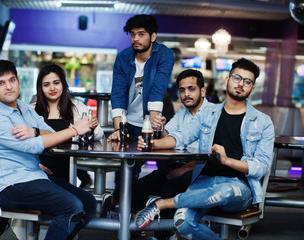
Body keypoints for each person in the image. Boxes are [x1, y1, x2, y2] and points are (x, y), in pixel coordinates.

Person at [135, 58, 275, 240]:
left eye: (247, 81)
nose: (241, 84)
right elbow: (181, 137)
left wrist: (228, 161)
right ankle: (168, 204)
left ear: (252, 89)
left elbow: (262, 166)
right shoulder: (208, 114)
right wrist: (153, 144)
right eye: (237, 78)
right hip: (204, 182)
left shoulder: (263, 122)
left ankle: (163, 203)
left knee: (225, 191)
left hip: (238, 188)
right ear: (227, 80)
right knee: (182, 222)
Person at [0, 60, 96, 240]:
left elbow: (50, 134)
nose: (8, 87)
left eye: (11, 80)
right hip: (9, 187)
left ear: (18, 81)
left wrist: (34, 131)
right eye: (1, 83)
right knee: (71, 207)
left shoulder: (24, 108)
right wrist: (74, 130)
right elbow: (33, 145)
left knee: (88, 203)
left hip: (34, 176)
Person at [103, 14, 175, 216]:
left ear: (153, 36)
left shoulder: (164, 55)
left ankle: (128, 207)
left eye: (141, 34)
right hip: (129, 123)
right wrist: (118, 129)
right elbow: (117, 93)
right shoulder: (123, 57)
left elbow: (158, 89)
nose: (136, 39)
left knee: (166, 168)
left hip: (154, 120)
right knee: (127, 170)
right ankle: (125, 211)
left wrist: (152, 126)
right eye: (133, 35)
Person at [131, 69, 214, 240]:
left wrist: (182, 170)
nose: (186, 94)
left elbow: (211, 155)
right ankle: (136, 228)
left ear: (202, 91)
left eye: (191, 89)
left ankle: (164, 235)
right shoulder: (183, 112)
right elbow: (170, 137)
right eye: (182, 90)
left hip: (202, 171)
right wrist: (161, 128)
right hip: (178, 165)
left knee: (171, 186)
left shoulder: (214, 113)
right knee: (138, 186)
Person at [32, 64, 103, 187]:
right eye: (46, 85)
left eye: (56, 83)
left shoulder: (76, 106)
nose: (52, 88)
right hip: (38, 171)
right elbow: (23, 145)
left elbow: (98, 135)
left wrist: (93, 127)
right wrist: (35, 166)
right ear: (40, 88)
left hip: (68, 167)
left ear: (63, 84)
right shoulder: (32, 110)